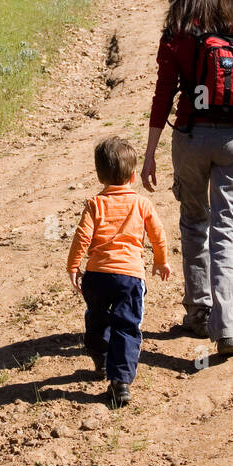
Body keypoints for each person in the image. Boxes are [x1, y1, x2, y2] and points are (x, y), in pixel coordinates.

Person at [141, 0, 233, 356]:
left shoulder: (177, 36)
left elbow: (163, 96)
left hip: (192, 139)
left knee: (195, 222)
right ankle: (229, 327)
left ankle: (199, 313)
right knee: (225, 229)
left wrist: (150, 154)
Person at [67, 136, 170, 406]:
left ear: (99, 176)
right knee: (126, 326)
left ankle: (101, 357)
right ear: (133, 176)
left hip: (97, 276)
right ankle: (120, 381)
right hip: (130, 277)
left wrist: (73, 265)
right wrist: (160, 261)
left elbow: (82, 237)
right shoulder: (142, 204)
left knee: (97, 318)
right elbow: (158, 235)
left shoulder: (95, 204)